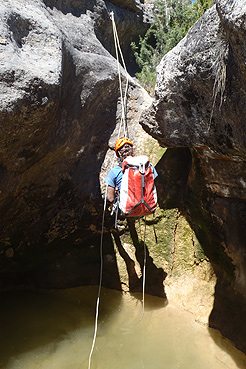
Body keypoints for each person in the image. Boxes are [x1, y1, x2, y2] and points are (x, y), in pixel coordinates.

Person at [105, 137, 158, 203]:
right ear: (132, 150)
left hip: (127, 209)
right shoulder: (147, 165)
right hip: (147, 205)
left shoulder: (114, 171)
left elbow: (110, 198)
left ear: (119, 153)